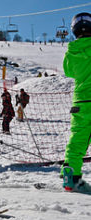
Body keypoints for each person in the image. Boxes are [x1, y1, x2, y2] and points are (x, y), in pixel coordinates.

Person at [61, 12, 91, 193]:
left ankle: (70, 178)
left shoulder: (71, 53)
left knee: (77, 138)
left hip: (80, 101)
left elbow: (69, 71)